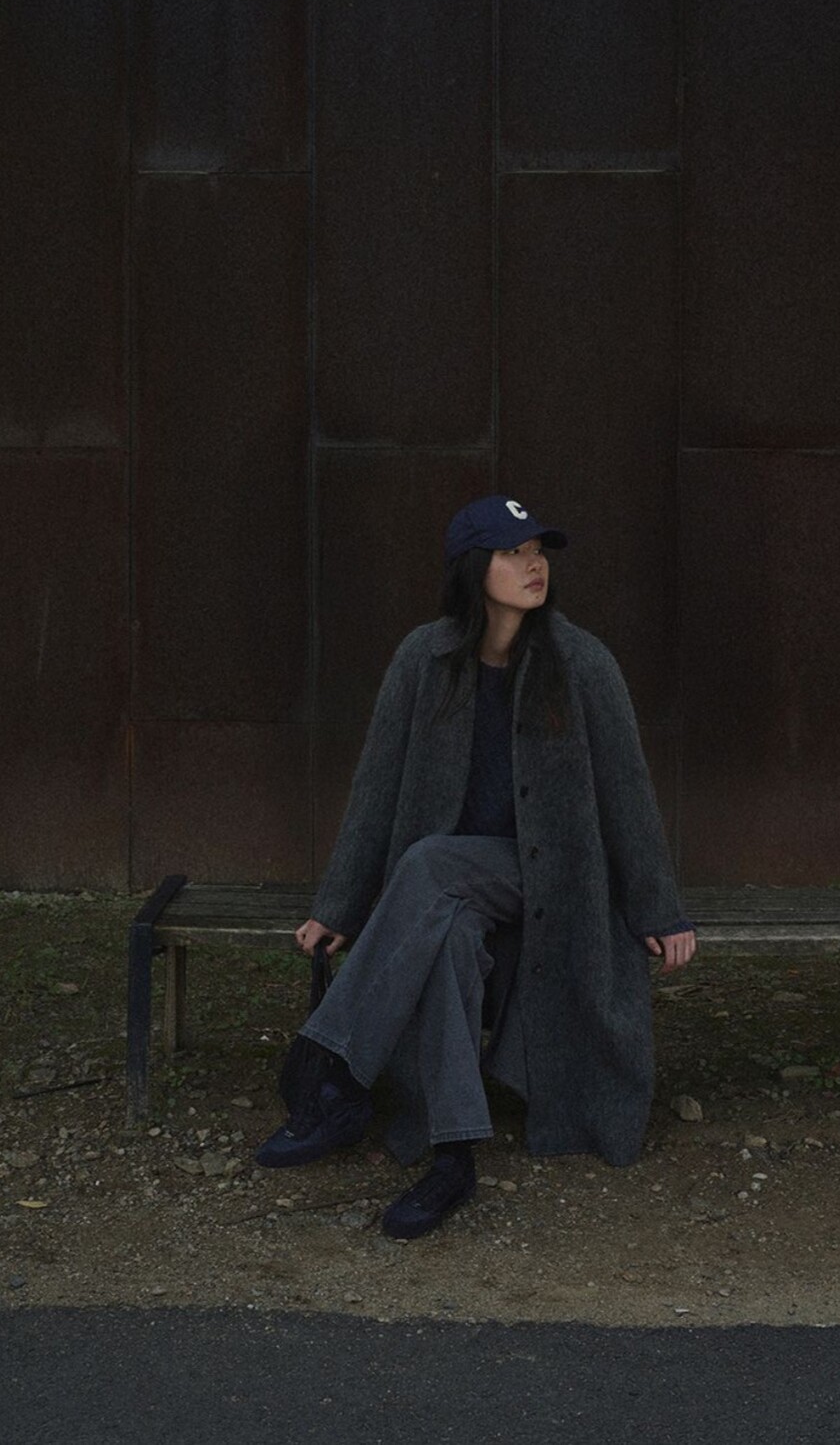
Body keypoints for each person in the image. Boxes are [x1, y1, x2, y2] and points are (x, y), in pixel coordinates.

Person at [255, 495, 696, 1238]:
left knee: (429, 862)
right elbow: (376, 787)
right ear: (472, 569)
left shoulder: (583, 665)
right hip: (453, 891)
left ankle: (330, 1069)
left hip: (553, 879)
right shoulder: (422, 660)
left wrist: (659, 910)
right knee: (450, 933)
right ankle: (453, 1158)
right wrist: (339, 905)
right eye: (512, 553)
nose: (533, 565)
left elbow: (628, 793)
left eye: (538, 551)